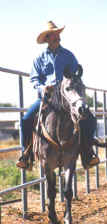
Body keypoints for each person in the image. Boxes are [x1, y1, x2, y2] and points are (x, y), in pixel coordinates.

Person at [16, 20, 99, 169]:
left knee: (90, 119)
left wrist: (75, 87)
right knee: (26, 119)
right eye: (53, 35)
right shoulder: (39, 59)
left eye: (57, 34)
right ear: (47, 38)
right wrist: (42, 88)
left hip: (67, 98)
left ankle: (87, 153)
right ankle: (26, 154)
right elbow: (34, 79)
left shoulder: (68, 55)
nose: (57, 37)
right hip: (46, 98)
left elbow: (76, 76)